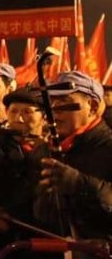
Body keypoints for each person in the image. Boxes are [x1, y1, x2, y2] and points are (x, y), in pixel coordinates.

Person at [33, 70, 112, 243]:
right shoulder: (45, 150)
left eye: (63, 101)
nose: (54, 110)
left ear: (91, 107)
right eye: (51, 102)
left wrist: (78, 183)